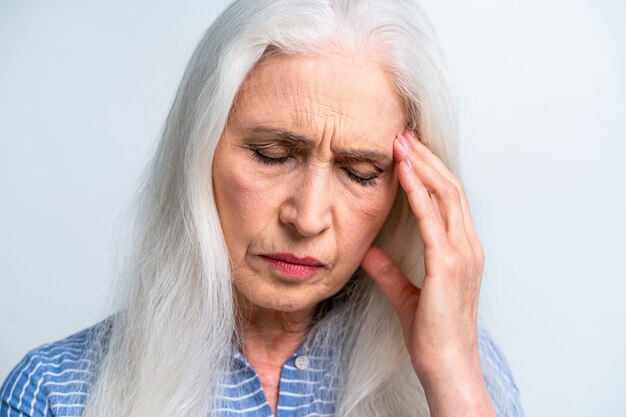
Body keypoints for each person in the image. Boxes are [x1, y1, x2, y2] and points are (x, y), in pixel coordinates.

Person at [0, 0, 524, 416]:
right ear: (198, 150)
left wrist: (454, 382)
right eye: (273, 156)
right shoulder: (56, 393)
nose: (309, 216)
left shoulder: (466, 376)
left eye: (360, 172)